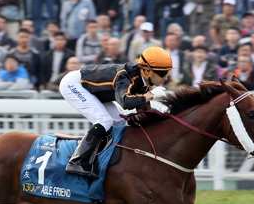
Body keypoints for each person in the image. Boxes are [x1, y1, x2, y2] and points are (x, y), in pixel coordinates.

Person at [59, 46, 173, 178]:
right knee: (104, 120)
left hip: (95, 91)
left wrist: (164, 115)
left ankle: (102, 160)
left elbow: (144, 112)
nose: (165, 78)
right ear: (147, 71)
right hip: (75, 84)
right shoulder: (125, 76)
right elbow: (125, 102)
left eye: (167, 72)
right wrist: (150, 95)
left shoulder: (144, 83)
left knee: (119, 121)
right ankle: (75, 160)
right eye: (163, 73)